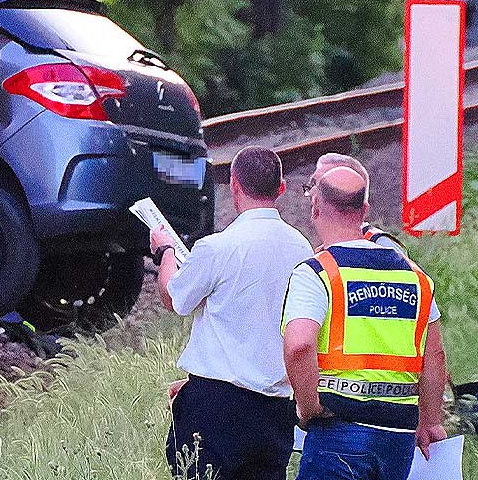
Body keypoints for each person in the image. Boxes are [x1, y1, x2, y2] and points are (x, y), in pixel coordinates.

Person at [150, 145, 313, 480]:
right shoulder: (302, 249)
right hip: (275, 409)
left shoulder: (217, 247)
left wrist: (165, 252)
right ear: (281, 188)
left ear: (234, 186)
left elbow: (173, 298)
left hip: (216, 406)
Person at [282, 167, 447, 480]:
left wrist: (307, 406)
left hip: (338, 428)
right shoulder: (415, 277)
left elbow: (300, 344)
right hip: (398, 434)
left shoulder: (317, 273)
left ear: (315, 207)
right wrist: (430, 420)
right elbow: (434, 355)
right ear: (365, 210)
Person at [306, 153, 405, 253]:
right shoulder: (320, 250)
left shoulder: (383, 246)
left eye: (323, 185)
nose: (311, 192)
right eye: (312, 184)